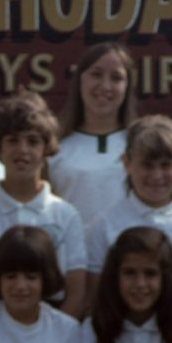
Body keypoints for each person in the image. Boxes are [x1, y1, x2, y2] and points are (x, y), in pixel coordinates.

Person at [0, 91, 87, 318]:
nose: (22, 150)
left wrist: (56, 337)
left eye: (33, 141)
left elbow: (76, 294)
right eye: (13, 140)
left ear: (45, 149)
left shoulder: (66, 215)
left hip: (51, 325)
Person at [85, 114, 172, 313]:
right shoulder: (104, 225)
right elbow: (95, 298)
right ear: (127, 164)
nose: (157, 176)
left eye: (166, 165)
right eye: (147, 165)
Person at [50, 42, 139, 220]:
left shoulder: (140, 146)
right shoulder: (54, 147)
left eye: (116, 78)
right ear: (80, 79)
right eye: (96, 74)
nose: (105, 86)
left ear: (127, 86)